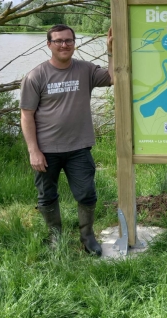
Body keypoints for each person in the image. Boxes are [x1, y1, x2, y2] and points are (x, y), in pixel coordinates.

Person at [20, 24, 114, 256]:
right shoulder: (36, 76)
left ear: (74, 43)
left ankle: (87, 237)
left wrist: (110, 51)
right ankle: (56, 236)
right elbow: (26, 115)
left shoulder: (85, 70)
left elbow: (113, 77)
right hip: (46, 150)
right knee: (47, 195)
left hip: (79, 147)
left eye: (69, 40)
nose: (64, 45)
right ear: (49, 44)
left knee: (86, 193)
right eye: (59, 41)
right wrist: (34, 150)